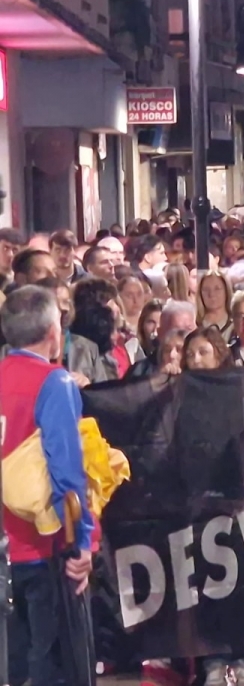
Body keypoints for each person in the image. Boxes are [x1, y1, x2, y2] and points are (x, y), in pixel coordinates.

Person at [0, 286, 95, 686]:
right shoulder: (54, 382)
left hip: (5, 553)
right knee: (54, 669)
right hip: (44, 551)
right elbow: (67, 472)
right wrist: (83, 543)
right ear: (53, 331)